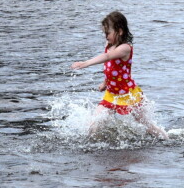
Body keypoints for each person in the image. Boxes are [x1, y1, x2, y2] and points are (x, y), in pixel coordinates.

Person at [71, 11, 169, 140]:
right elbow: (110, 66)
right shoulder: (109, 45)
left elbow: (107, 57)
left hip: (128, 94)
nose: (105, 36)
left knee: (145, 124)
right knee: (94, 123)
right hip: (112, 94)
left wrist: (86, 63)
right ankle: (90, 145)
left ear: (120, 31)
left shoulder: (125, 48)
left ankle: (166, 139)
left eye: (108, 33)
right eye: (104, 33)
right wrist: (105, 83)